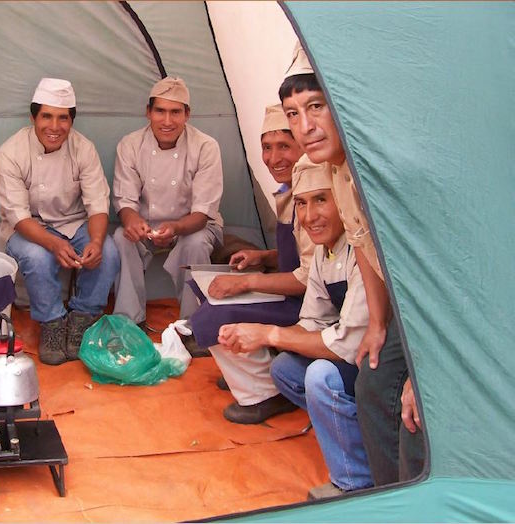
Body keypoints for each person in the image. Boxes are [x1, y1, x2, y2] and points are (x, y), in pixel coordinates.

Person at [278, 43, 424, 484]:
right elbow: (365, 247)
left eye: (316, 106)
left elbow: (424, 273)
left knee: (412, 411)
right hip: (396, 313)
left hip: (432, 311)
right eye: (292, 114)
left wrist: (426, 372)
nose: (305, 127)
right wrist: (378, 325)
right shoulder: (339, 171)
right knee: (371, 383)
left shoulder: (382, 170)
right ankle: (381, 493)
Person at [219, 160, 372, 499]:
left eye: (321, 200)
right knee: (286, 368)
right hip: (348, 349)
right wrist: (262, 337)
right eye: (301, 203)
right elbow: (313, 320)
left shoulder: (361, 248)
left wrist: (269, 334)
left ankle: (356, 481)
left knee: (320, 376)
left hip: (378, 360)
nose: (309, 215)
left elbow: (348, 343)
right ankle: (355, 435)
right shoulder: (324, 252)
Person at [188, 104, 314, 424]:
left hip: (313, 305)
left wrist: (246, 282)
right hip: (294, 290)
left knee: (215, 313)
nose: (274, 158)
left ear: (303, 146)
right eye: (267, 148)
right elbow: (303, 253)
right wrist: (265, 257)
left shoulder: (313, 194)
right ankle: (245, 372)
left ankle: (266, 391)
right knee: (209, 291)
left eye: (285, 146)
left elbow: (311, 278)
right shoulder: (288, 189)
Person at [0, 78, 119, 365]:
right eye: (46, 116)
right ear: (33, 118)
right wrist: (53, 244)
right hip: (27, 228)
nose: (54, 127)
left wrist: (97, 242)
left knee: (110, 253)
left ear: (71, 121)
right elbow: (18, 216)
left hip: (75, 223)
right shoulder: (10, 153)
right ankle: (51, 323)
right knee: (38, 258)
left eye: (63, 118)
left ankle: (82, 318)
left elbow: (98, 204)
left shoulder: (83, 149)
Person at [112, 76, 223, 352]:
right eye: (160, 111)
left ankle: (193, 326)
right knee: (120, 237)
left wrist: (175, 227)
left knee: (194, 242)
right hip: (147, 226)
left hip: (194, 225)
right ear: (148, 112)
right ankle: (129, 323)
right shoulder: (130, 144)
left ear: (187, 114)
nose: (167, 121)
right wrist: (132, 220)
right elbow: (125, 200)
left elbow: (202, 212)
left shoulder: (205, 147)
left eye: (176, 112)